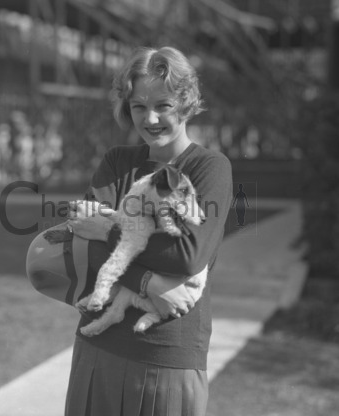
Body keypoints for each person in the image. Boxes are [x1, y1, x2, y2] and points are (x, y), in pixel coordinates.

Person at [32, 46, 232, 416]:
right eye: (139, 106)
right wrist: (152, 284)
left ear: (185, 103)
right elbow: (79, 240)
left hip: (166, 353)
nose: (150, 118)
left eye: (164, 105)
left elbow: (187, 255)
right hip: (99, 348)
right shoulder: (118, 162)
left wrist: (109, 231)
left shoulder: (209, 168)